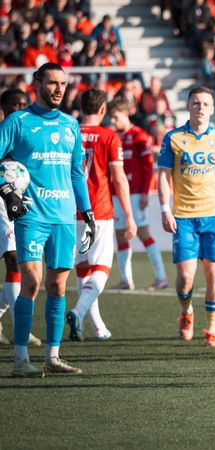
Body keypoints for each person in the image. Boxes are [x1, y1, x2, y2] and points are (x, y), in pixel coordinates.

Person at [0, 63, 95, 377]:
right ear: (37, 83)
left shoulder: (71, 124)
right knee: (31, 282)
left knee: (58, 286)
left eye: (63, 84)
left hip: (64, 217)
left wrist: (88, 213)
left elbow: (77, 173)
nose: (58, 89)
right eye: (52, 83)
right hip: (31, 216)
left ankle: (52, 357)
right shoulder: (17, 122)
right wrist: (7, 191)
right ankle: (20, 360)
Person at [158, 86, 215, 347]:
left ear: (212, 109)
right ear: (188, 106)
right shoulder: (173, 138)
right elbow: (163, 176)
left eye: (205, 103)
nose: (200, 107)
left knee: (214, 274)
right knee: (186, 278)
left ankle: (211, 330)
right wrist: (165, 209)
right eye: (196, 103)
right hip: (184, 217)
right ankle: (186, 311)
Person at [66, 89, 137, 342]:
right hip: (99, 210)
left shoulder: (68, 132)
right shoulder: (109, 136)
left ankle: (96, 326)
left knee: (83, 267)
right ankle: (79, 311)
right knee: (102, 268)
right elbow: (119, 179)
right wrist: (129, 215)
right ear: (103, 109)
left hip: (70, 210)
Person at [107, 99, 168, 291]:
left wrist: (144, 192)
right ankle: (126, 280)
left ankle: (161, 277)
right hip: (117, 194)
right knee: (120, 235)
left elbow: (148, 167)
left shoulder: (140, 136)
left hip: (135, 194)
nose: (113, 121)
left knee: (143, 233)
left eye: (116, 117)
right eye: (111, 118)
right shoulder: (114, 136)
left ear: (126, 114)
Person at [0, 88, 42, 348]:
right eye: (15, 104)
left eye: (24, 103)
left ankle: (17, 325)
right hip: (2, 200)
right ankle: (21, 329)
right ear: (4, 107)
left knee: (20, 262)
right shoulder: (5, 131)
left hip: (21, 200)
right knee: (14, 260)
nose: (20, 108)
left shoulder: (27, 132)